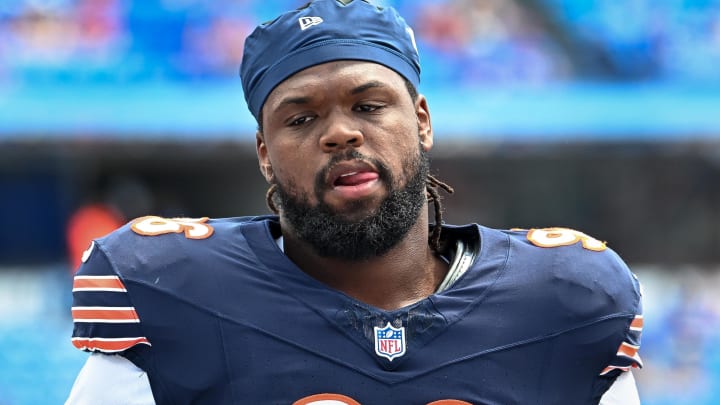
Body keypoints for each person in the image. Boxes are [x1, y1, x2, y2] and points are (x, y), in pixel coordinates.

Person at [65, 1, 644, 404]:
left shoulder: (565, 300)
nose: (341, 134)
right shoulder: (173, 293)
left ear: (421, 121)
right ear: (265, 153)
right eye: (302, 117)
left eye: (369, 106)